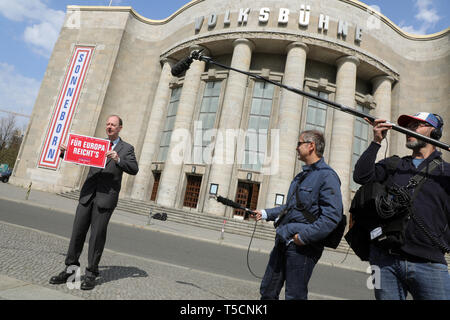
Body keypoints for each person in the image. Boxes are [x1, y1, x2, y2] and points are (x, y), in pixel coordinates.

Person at [353, 112, 450, 300]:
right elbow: (361, 177)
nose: (410, 130)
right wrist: (376, 142)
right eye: (409, 126)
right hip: (385, 260)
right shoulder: (394, 164)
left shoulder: (446, 172)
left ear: (435, 133)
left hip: (430, 263)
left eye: (418, 126)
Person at [49, 115, 139, 290]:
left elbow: (134, 169)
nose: (109, 127)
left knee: (97, 237)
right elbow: (79, 156)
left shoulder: (126, 148)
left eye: (113, 125)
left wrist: (118, 159)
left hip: (105, 198)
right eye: (107, 124)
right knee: (77, 233)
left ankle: (91, 274)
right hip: (87, 195)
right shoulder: (96, 144)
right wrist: (66, 151)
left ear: (120, 128)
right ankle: (70, 270)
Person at [255, 130, 343, 300]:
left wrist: (302, 237)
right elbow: (291, 207)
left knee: (294, 296)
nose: (296, 148)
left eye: (299, 143)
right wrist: (265, 213)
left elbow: (331, 217)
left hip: (303, 247)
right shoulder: (301, 176)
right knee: (267, 291)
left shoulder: (327, 176)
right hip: (283, 240)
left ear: (311, 146)